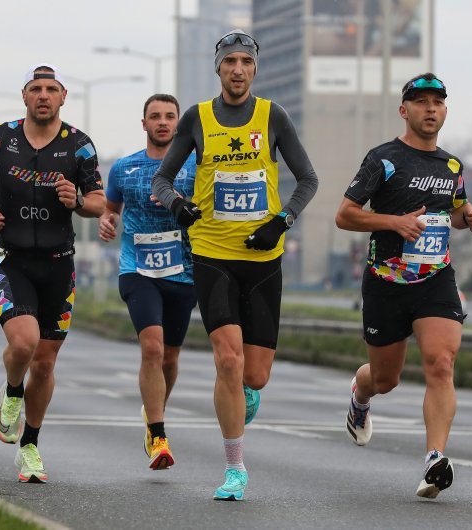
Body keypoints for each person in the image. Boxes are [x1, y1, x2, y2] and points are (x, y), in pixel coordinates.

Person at [152, 30, 319, 500]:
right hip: (212, 253)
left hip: (263, 257)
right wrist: (177, 206)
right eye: (231, 62)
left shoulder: (273, 116)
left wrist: (281, 221)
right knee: (228, 359)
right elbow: (164, 179)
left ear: (255, 68)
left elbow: (308, 178)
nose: (239, 69)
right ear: (219, 68)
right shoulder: (198, 118)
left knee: (254, 374)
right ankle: (235, 469)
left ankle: (246, 393)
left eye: (246, 61)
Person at [335, 73, 472, 499]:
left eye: (437, 102)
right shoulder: (383, 159)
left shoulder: (451, 165)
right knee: (386, 379)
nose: (430, 109)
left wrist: (469, 216)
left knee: (441, 363)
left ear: (445, 110)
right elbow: (345, 215)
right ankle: (360, 395)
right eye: (420, 102)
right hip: (386, 281)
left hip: (436, 279)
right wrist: (393, 222)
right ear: (405, 111)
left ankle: (434, 460)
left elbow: (453, 210)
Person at [0, 63, 105, 483]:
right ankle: (11, 391)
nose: (43, 96)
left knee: (44, 364)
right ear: (24, 97)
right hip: (12, 259)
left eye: (52, 89)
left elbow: (98, 202)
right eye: (36, 89)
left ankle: (30, 447)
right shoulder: (0, 137)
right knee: (23, 344)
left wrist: (77, 199)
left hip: (60, 265)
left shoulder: (79, 145)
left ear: (63, 98)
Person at [99, 94, 197, 471]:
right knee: (152, 348)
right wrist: (107, 222)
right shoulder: (124, 168)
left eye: (169, 116)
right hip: (137, 270)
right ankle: (158, 434)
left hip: (183, 272)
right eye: (154, 116)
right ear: (144, 124)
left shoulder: (195, 167)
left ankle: (153, 409)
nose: (162, 122)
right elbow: (110, 211)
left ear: (178, 124)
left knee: (170, 357)